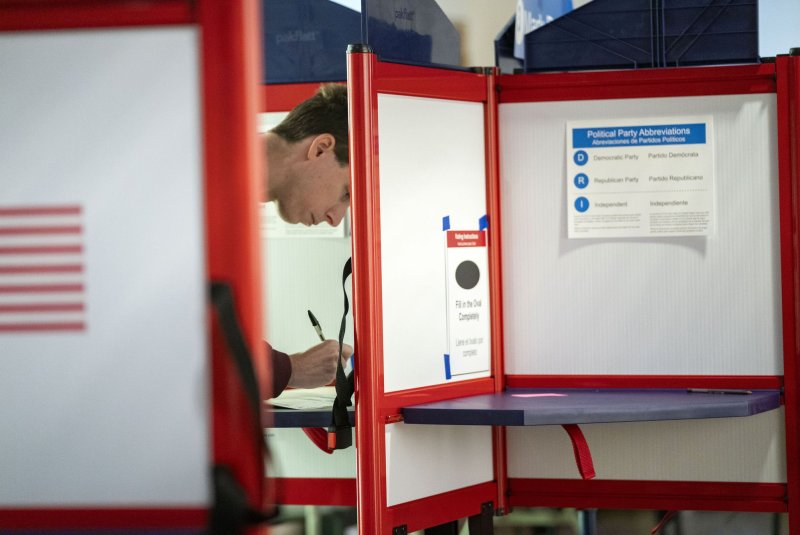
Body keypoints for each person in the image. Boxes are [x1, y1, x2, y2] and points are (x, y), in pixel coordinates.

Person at [261, 83, 354, 397]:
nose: (335, 219)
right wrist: (292, 369)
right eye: (345, 193)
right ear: (321, 148)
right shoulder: (201, 182)